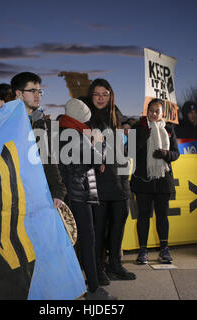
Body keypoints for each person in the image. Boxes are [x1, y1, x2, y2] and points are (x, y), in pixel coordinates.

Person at [58, 98, 115, 300]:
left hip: (78, 192)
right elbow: (91, 160)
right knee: (85, 240)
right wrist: (100, 144)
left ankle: (83, 286)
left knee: (81, 241)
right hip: (77, 194)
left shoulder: (71, 131)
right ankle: (92, 288)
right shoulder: (71, 133)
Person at [81, 78, 136, 284]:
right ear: (91, 96)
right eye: (96, 94)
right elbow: (81, 150)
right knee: (99, 226)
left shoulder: (117, 115)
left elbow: (124, 147)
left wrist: (127, 135)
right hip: (98, 180)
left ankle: (115, 263)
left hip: (120, 179)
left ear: (111, 95)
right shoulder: (86, 118)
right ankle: (97, 267)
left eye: (105, 94)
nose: (101, 98)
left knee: (118, 224)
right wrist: (95, 153)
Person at [130, 99, 180, 264]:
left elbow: (175, 154)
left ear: (162, 113)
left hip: (162, 180)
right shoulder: (138, 128)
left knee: (162, 216)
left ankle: (164, 250)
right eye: (151, 110)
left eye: (157, 111)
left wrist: (166, 154)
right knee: (143, 215)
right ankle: (142, 251)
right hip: (143, 180)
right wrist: (142, 140)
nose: (153, 114)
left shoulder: (169, 129)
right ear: (147, 111)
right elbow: (130, 152)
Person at [11, 72, 66, 208]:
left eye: (39, 91)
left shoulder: (43, 124)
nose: (37, 95)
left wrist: (58, 190)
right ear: (19, 94)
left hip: (39, 194)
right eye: (32, 91)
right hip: (12, 193)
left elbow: (48, 159)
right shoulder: (8, 121)